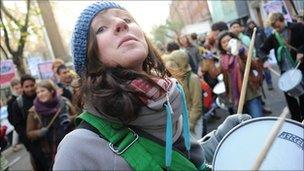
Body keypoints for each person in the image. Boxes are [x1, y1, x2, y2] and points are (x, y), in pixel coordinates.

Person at [53, 2, 251, 170]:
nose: (121, 23)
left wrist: (223, 137)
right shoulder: (76, 151)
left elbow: (188, 161)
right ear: (90, 61)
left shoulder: (167, 102)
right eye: (101, 28)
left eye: (127, 19)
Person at [260, 12, 304, 122]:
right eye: (273, 27)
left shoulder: (297, 27)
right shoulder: (274, 36)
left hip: (300, 67)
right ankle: (296, 120)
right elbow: (262, 50)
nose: (276, 28)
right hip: (285, 71)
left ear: (282, 20)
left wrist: (301, 51)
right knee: (290, 97)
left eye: (277, 25)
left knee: (303, 93)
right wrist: (265, 60)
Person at [26, 80, 76, 170]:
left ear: (51, 91)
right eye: (38, 92)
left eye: (42, 91)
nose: (40, 94)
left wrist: (69, 119)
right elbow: (29, 133)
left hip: (69, 146)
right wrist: (39, 133)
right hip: (48, 151)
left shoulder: (64, 102)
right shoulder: (33, 111)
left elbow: (77, 117)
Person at [216, 31, 264, 118]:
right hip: (236, 97)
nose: (227, 43)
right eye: (223, 42)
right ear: (220, 45)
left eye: (229, 40)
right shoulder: (222, 59)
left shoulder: (242, 51)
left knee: (258, 121)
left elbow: (254, 65)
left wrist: (242, 54)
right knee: (244, 127)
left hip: (250, 94)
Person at [11, 75, 48, 171]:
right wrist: (29, 145)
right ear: (22, 87)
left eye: (32, 85)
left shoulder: (42, 96)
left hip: (50, 139)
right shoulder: (18, 104)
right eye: (27, 86)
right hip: (34, 144)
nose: (30, 89)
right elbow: (18, 126)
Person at [165, 49, 203, 139]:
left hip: (193, 122)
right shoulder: (174, 78)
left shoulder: (193, 79)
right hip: (181, 123)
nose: (171, 68)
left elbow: (197, 105)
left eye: (173, 65)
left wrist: (190, 124)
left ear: (181, 65)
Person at [6, 78, 23, 152]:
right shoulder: (11, 101)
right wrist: (16, 125)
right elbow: (10, 117)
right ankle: (14, 145)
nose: (19, 90)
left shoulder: (24, 96)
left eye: (20, 87)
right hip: (19, 125)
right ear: (12, 89)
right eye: (16, 88)